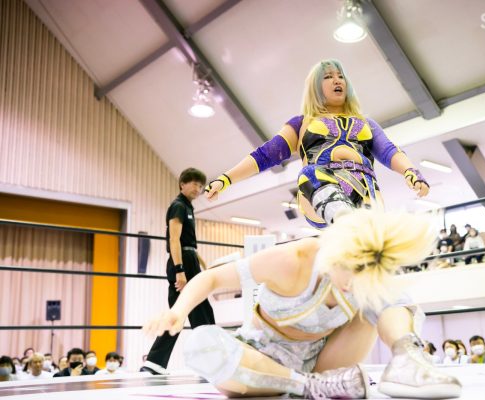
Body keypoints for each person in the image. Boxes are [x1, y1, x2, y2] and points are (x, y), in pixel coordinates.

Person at [144, 209, 461, 399]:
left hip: (324, 359)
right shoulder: (293, 259)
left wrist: (403, 345)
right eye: (350, 273)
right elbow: (212, 278)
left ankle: (409, 358)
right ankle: (308, 387)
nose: (351, 285)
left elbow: (394, 302)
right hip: (263, 357)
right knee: (201, 345)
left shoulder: (370, 274)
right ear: (337, 253)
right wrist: (178, 311)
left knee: (384, 296)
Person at [204, 59, 429, 228]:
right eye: (328, 76)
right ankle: (343, 220)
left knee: (366, 255)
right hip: (318, 188)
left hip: (365, 188)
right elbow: (265, 155)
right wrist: (225, 179)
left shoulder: (366, 123)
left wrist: (412, 172)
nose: (337, 80)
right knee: (310, 173)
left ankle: (351, 229)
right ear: (315, 87)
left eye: (340, 76)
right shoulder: (301, 123)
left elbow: (389, 151)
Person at [141, 168, 215, 375]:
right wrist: (180, 271)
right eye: (194, 184)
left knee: (181, 313)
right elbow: (174, 240)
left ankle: (154, 362)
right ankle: (212, 361)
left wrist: (204, 265)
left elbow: (189, 244)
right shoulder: (178, 206)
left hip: (189, 259)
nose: (198, 188)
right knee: (200, 312)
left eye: (201, 185)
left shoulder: (188, 207)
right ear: (182, 184)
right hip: (182, 263)